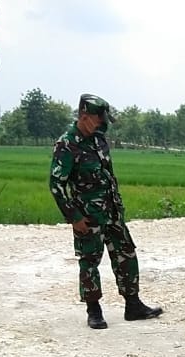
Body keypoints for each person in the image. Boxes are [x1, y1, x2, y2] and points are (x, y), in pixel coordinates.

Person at [49, 93, 162, 330]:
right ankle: (94, 310)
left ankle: (133, 305)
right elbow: (56, 185)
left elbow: (109, 176)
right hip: (88, 216)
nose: (103, 124)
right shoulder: (67, 145)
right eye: (99, 120)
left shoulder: (99, 140)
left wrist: (118, 207)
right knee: (89, 261)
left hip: (112, 212)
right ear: (84, 116)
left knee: (126, 255)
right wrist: (74, 217)